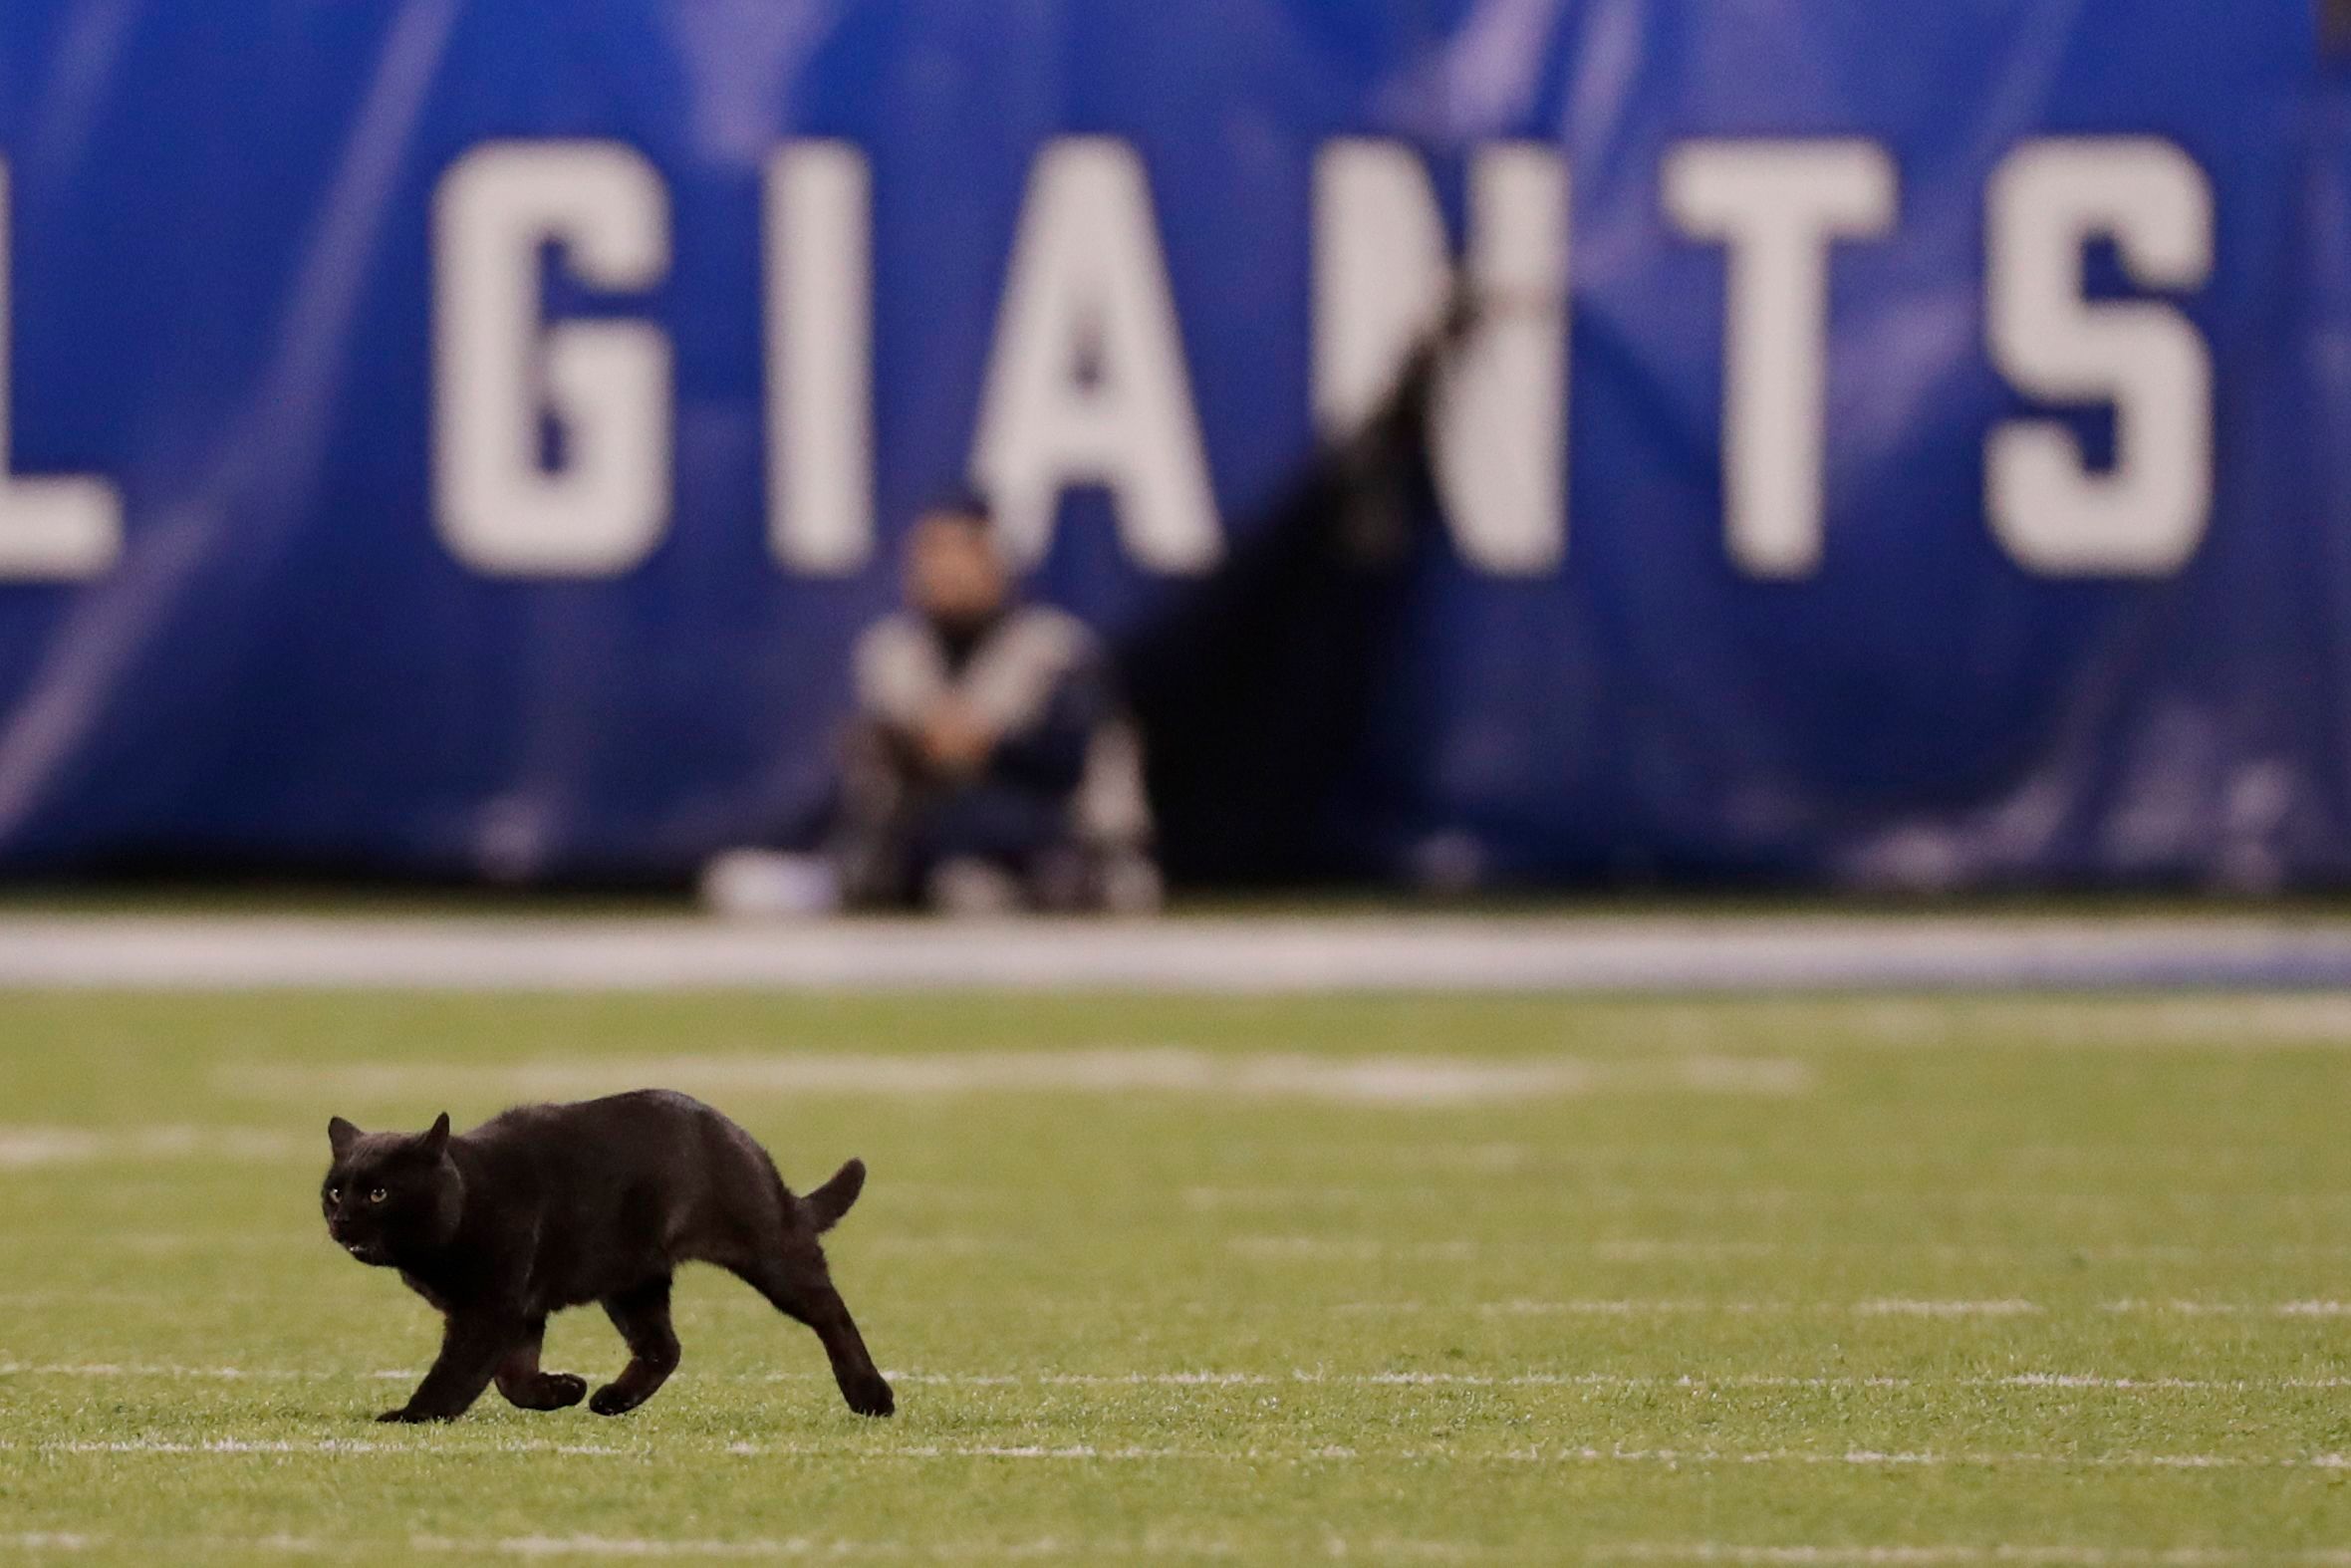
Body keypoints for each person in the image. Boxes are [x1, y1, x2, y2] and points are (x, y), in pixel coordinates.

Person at [830, 494, 1160, 915]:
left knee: (996, 826)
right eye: (933, 553)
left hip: (1062, 836)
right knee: (897, 841)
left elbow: (1065, 761)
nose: (947, 569)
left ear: (1000, 562)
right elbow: (879, 761)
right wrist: (924, 745)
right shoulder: (892, 652)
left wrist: (985, 744)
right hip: (942, 837)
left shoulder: (1055, 649)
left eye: (964, 551)